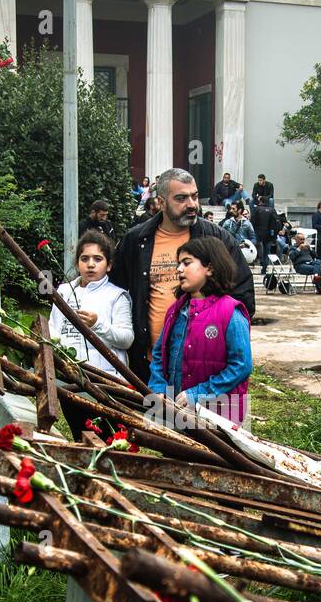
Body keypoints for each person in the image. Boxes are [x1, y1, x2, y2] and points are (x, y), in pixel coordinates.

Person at [111, 167, 255, 381]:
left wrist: (213, 337)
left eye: (194, 196)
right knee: (156, 415)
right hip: (150, 368)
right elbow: (115, 293)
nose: (192, 204)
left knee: (200, 416)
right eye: (181, 198)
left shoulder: (217, 239)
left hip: (204, 370)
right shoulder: (135, 240)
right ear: (161, 202)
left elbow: (243, 296)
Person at [148, 236, 252, 423]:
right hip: (176, 410)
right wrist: (158, 387)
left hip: (219, 415)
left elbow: (242, 366)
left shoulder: (231, 312)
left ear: (210, 268)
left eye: (187, 263)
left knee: (210, 453)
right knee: (175, 451)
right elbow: (159, 353)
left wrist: (199, 393)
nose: (179, 269)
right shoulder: (175, 310)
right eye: (178, 263)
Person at [51, 230, 134, 379]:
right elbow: (53, 329)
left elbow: (126, 339)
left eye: (97, 259)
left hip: (105, 380)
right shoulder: (63, 292)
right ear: (77, 264)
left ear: (108, 265)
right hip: (68, 376)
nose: (90, 265)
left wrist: (97, 324)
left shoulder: (117, 296)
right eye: (84, 259)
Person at [250, 195, 278, 273]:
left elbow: (253, 221)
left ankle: (257, 262)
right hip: (269, 234)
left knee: (258, 248)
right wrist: (274, 236)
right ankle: (264, 268)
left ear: (260, 201)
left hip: (258, 233)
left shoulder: (257, 209)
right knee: (267, 252)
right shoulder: (272, 210)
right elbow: (276, 224)